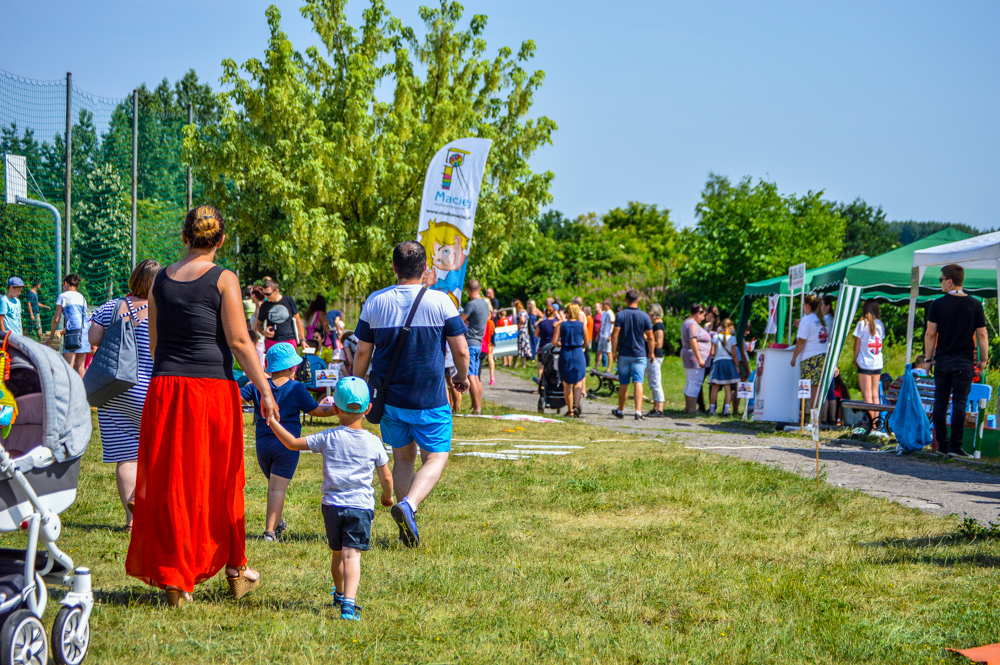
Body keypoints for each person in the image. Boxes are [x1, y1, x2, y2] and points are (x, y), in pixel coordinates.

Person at [126, 205, 278, 607]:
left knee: (172, 481)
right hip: (210, 391)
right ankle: (234, 568)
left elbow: (156, 344)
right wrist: (265, 389)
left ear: (184, 237)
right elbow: (241, 342)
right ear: (221, 240)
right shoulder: (224, 278)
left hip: (165, 388)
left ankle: (176, 581)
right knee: (222, 479)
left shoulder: (159, 279)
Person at [353, 241, 470, 548]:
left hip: (390, 399)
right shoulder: (441, 302)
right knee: (437, 456)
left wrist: (357, 386)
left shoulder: (375, 302)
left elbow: (363, 351)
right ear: (424, 269)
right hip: (429, 398)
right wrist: (461, 376)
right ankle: (409, 506)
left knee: (403, 458)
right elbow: (460, 349)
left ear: (394, 267)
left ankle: (406, 525)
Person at [267, 377, 393, 621]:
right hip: (360, 507)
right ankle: (349, 603)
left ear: (334, 409)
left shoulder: (328, 437)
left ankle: (339, 593)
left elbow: (292, 443)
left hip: (332, 507)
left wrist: (272, 422)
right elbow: (386, 477)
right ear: (368, 409)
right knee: (352, 555)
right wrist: (388, 497)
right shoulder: (374, 442)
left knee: (337, 553)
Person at [88, 259, 161, 533]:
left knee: (126, 455)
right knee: (155, 451)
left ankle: (132, 521)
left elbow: (94, 338)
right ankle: (144, 503)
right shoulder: (160, 310)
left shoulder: (113, 306)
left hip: (113, 389)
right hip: (148, 389)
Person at [242, 343, 337, 541]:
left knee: (275, 485)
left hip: (262, 446)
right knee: (277, 488)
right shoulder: (297, 388)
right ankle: (269, 532)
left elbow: (237, 396)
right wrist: (336, 408)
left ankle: (278, 522)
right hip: (286, 446)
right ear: (291, 367)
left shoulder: (259, 386)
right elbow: (315, 411)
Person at [925, 263, 988, 458]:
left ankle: (941, 445)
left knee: (940, 402)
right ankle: (956, 447)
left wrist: (928, 359)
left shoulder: (937, 304)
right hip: (964, 361)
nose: (940, 283)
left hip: (943, 360)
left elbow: (930, 334)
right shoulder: (975, 304)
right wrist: (983, 360)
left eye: (941, 279)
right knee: (959, 403)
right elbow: (982, 335)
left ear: (950, 281)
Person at [611, 290, 654, 420]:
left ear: (626, 300)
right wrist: (651, 352)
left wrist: (614, 352)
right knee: (638, 382)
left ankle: (621, 410)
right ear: (638, 300)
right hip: (639, 354)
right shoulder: (645, 316)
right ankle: (638, 412)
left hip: (624, 354)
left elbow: (615, 335)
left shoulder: (620, 315)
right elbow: (651, 337)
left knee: (624, 383)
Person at [789, 294, 829, 409]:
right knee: (820, 391)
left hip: (810, 357)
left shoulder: (807, 320)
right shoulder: (823, 320)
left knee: (812, 392)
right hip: (823, 356)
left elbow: (801, 341)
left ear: (807, 305)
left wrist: (794, 357)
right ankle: (820, 420)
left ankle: (814, 420)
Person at [852, 300, 885, 434]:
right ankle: (876, 424)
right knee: (875, 395)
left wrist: (855, 358)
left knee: (867, 395)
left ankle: (872, 425)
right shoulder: (880, 324)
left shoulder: (862, 324)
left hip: (865, 362)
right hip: (877, 362)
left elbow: (856, 344)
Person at [48, 274, 88, 377]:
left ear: (66, 283)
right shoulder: (82, 297)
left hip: (73, 335)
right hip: (85, 333)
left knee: (68, 367)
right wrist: (63, 330)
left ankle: (68, 392)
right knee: (80, 367)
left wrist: (51, 336)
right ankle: (83, 392)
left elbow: (56, 319)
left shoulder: (63, 296)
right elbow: (79, 320)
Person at [462, 279, 490, 414]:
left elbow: (459, 320)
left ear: (468, 290)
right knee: (476, 377)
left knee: (471, 376)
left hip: (470, 342)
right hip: (479, 342)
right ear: (479, 289)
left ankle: (477, 408)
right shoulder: (484, 304)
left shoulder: (471, 305)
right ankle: (476, 406)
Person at [255, 277, 305, 352]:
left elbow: (298, 321)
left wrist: (302, 340)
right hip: (272, 342)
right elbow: (259, 324)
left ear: (276, 291)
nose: (265, 296)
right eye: (264, 294)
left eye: (268, 294)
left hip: (289, 341)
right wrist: (263, 332)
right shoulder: (264, 306)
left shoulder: (288, 300)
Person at [554, 302, 587, 417]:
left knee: (567, 383)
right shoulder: (582, 325)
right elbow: (587, 342)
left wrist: (560, 344)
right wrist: (580, 347)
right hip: (578, 354)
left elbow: (554, 342)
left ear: (567, 313)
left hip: (566, 353)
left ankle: (570, 410)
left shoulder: (561, 325)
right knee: (578, 382)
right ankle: (576, 406)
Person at [681, 304, 711, 414]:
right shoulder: (692, 324)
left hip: (689, 356)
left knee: (690, 382)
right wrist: (700, 359)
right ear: (698, 313)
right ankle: (692, 409)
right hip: (694, 358)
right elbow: (693, 341)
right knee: (695, 383)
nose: (703, 318)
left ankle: (688, 407)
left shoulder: (686, 322)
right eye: (703, 315)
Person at [708, 319, 740, 416]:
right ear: (731, 327)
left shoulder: (715, 337)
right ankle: (726, 411)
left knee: (715, 388)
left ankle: (712, 410)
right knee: (728, 388)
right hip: (729, 363)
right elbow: (734, 354)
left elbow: (712, 353)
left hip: (718, 363)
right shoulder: (732, 339)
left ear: (721, 327)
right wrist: (737, 366)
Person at [646, 304, 666, 417]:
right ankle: (656, 406)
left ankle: (660, 408)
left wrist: (647, 338)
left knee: (656, 382)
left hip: (656, 356)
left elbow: (659, 343)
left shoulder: (658, 326)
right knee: (652, 382)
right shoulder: (656, 325)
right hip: (652, 356)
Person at [535, 306, 557, 387]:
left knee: (541, 367)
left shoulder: (542, 324)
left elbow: (536, 334)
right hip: (554, 347)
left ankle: (540, 386)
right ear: (554, 312)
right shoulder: (556, 323)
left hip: (543, 346)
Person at [598, 298, 615, 370]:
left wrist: (610, 335)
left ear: (608, 305)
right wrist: (599, 332)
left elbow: (613, 324)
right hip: (602, 334)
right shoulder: (603, 313)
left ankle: (608, 368)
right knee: (599, 351)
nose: (603, 306)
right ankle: (596, 366)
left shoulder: (610, 313)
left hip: (607, 335)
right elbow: (602, 323)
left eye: (604, 304)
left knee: (608, 352)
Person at [515, 300, 532, 368]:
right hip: (525, 331)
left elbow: (522, 320)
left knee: (522, 346)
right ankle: (522, 364)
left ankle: (522, 364)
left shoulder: (521, 312)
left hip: (522, 331)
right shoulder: (525, 311)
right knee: (523, 347)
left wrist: (519, 324)